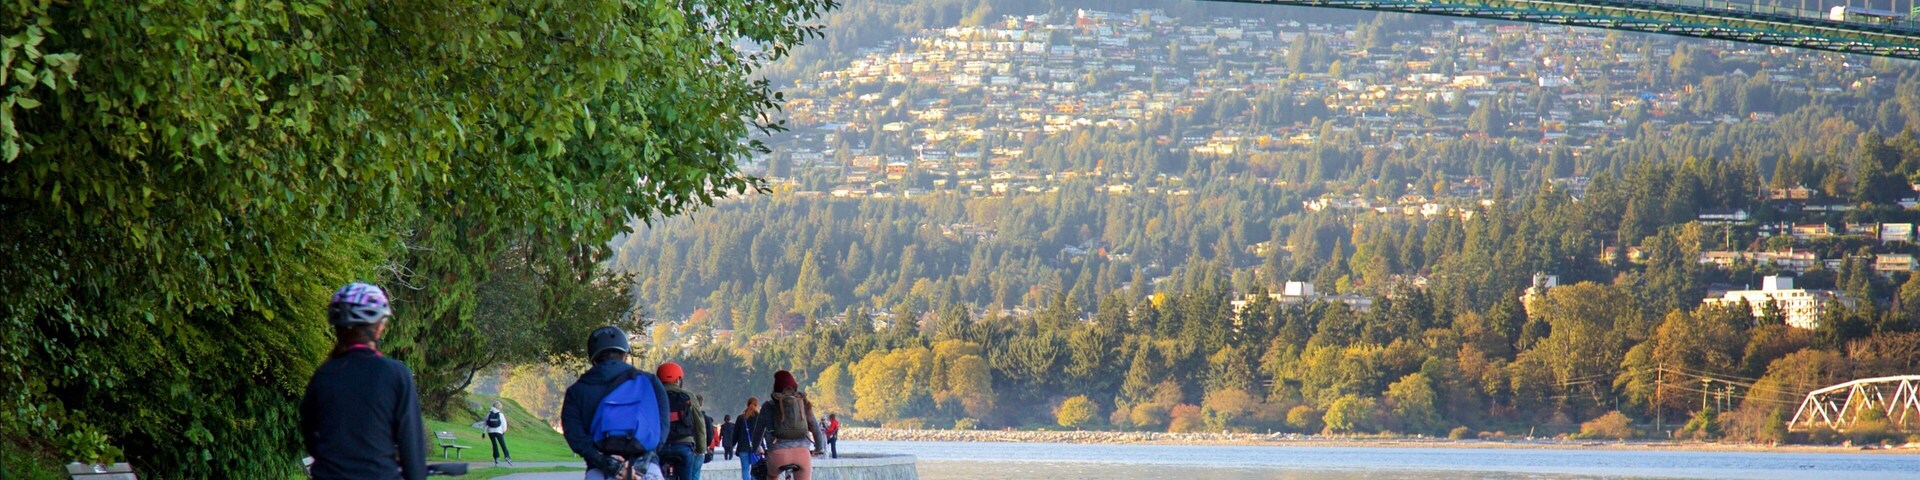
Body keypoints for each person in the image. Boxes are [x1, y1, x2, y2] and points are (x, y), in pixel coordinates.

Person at [300, 282, 427, 480]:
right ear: (378, 327)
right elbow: (412, 447)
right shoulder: (396, 375)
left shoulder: (323, 375)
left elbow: (311, 436)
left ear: (338, 328)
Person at [562, 326, 670, 480]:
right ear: (625, 354)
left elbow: (575, 436)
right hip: (645, 468)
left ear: (593, 359)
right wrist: (640, 464)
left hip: (600, 469)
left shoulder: (576, 391)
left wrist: (604, 462)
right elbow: (662, 429)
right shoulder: (651, 382)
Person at [751, 371, 825, 480]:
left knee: (772, 476)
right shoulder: (802, 404)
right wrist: (819, 448)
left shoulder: (768, 406)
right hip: (802, 454)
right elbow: (815, 428)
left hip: (777, 454)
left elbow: (758, 431)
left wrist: (756, 448)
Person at [656, 362, 709, 480]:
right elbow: (699, 424)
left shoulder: (653, 395)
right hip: (684, 445)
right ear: (678, 379)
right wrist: (701, 449)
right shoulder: (688, 396)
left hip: (659, 446)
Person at [733, 398, 761, 480]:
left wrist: (732, 444)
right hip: (756, 448)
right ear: (757, 405)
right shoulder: (759, 417)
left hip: (743, 447)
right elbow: (762, 433)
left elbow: (735, 433)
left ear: (747, 405)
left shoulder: (741, 418)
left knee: (745, 469)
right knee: (755, 470)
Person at [485, 401, 513, 465]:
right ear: (499, 407)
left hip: (490, 432)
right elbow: (504, 424)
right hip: (498, 431)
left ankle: (496, 458)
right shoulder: (500, 414)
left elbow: (485, 423)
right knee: (503, 444)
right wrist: (503, 431)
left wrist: (483, 432)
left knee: (494, 445)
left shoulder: (488, 414)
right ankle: (507, 457)